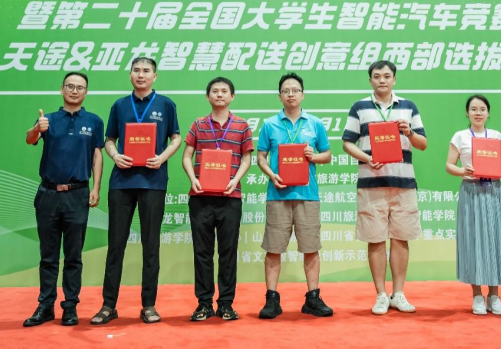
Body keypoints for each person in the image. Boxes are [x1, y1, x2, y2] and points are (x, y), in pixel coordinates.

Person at [91, 57, 181, 325]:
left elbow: (176, 138)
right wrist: (115, 155)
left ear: (155, 76)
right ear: (130, 74)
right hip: (122, 183)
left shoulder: (166, 104)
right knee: (116, 245)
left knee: (151, 245)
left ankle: (149, 305)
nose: (141, 75)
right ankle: (108, 305)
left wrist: (162, 157)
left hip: (154, 182)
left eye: (146, 71)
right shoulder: (119, 105)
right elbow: (109, 140)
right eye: (136, 70)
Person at [341, 60, 427, 315]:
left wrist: (409, 132)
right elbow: (347, 142)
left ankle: (398, 293)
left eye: (387, 76)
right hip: (371, 183)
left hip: (403, 183)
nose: (382, 80)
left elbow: (423, 144)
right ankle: (380, 294)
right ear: (370, 80)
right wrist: (367, 158)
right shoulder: (359, 107)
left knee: (401, 238)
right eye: (377, 76)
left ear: (394, 80)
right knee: (375, 239)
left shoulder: (409, 107)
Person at [23, 72, 104, 327]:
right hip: (48, 194)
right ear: (62, 89)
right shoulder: (48, 119)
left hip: (77, 194)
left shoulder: (94, 121)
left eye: (80, 87)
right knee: (48, 256)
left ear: (86, 92)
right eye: (70, 86)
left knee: (73, 256)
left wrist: (96, 187)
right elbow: (30, 139)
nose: (75, 90)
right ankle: (45, 306)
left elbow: (97, 155)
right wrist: (37, 128)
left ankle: (70, 307)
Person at [256, 73, 334, 319]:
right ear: (279, 96)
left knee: (311, 248)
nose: (290, 94)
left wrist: (314, 156)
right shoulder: (269, 124)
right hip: (277, 194)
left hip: (307, 195)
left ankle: (313, 298)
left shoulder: (315, 123)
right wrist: (271, 175)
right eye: (286, 90)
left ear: (303, 94)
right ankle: (271, 299)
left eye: (295, 90)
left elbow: (327, 155)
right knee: (273, 249)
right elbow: (261, 157)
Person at [181, 77, 253, 321]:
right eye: (215, 91)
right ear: (208, 96)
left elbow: (247, 158)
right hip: (200, 197)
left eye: (224, 91)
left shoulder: (242, 125)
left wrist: (235, 180)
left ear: (232, 96)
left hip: (230, 197)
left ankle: (226, 304)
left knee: (227, 252)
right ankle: (203, 304)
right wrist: (193, 179)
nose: (219, 94)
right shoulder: (198, 124)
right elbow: (187, 155)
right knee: (202, 253)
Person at [445, 95, 501, 315]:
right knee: (473, 241)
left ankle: (494, 296)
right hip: (471, 192)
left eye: (482, 109)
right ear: (467, 113)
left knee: (495, 241)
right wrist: (462, 171)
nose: (478, 113)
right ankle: (476, 296)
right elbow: (449, 165)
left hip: (493, 192)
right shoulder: (460, 136)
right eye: (473, 109)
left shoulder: (496, 136)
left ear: (488, 113)